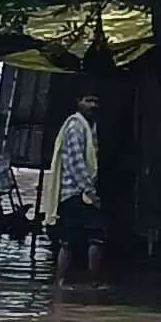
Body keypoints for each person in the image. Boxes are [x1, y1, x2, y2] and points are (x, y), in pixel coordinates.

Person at [48, 90, 105, 279]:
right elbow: (76, 163)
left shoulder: (90, 126)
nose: (93, 105)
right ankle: (91, 283)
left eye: (95, 101)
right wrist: (90, 192)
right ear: (78, 101)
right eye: (88, 100)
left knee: (71, 241)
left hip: (79, 192)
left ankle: (62, 285)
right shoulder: (75, 127)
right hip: (75, 193)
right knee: (91, 238)